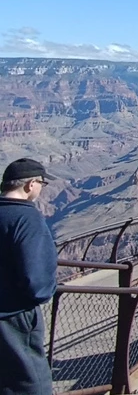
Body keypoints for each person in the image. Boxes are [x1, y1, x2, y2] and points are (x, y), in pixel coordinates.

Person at [0, 158, 58, 395]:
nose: (41, 189)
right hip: (14, 317)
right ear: (30, 184)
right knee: (30, 383)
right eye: (42, 183)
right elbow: (37, 281)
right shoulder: (27, 218)